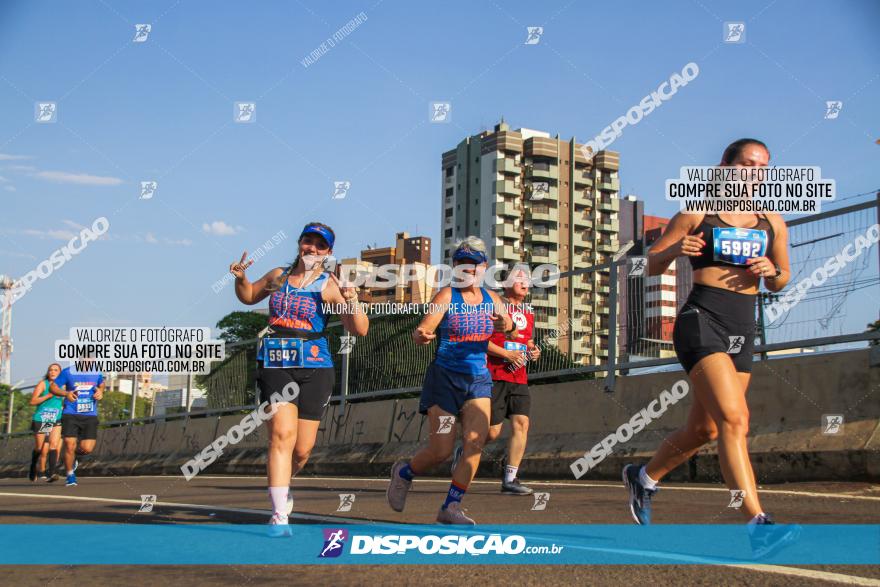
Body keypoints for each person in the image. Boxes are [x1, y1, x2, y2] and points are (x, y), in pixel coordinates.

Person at [622, 138, 797, 546]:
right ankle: (759, 525)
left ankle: (642, 477)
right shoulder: (697, 213)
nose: (753, 172)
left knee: (706, 430)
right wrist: (674, 251)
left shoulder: (772, 222)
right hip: (701, 321)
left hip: (743, 327)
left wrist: (772, 270)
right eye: (746, 164)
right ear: (725, 166)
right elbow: (648, 265)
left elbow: (783, 278)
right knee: (736, 420)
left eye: (762, 167)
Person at [229, 221, 368, 536]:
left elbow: (359, 329)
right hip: (276, 362)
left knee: (302, 450)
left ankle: (282, 486)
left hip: (316, 367)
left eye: (320, 246)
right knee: (281, 435)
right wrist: (240, 278)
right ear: (299, 243)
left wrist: (351, 298)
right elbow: (248, 296)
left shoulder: (329, 285)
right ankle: (279, 514)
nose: (312, 249)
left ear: (328, 252)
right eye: (308, 242)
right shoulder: (278, 276)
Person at [386, 237, 514, 525]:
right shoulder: (446, 296)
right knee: (441, 450)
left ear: (484, 267)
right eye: (462, 265)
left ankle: (451, 506)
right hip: (444, 380)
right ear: (455, 267)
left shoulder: (492, 299)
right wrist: (421, 335)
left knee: (475, 442)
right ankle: (404, 473)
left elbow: (512, 329)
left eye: (475, 265)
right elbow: (423, 330)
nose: (469, 271)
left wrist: (508, 325)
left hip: (477, 380)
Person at [484, 267, 540, 494]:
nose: (525, 282)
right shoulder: (495, 307)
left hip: (519, 377)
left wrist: (534, 351)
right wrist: (505, 354)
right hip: (494, 375)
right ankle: (466, 449)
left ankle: (510, 479)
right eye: (519, 279)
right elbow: (480, 341)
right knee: (492, 432)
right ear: (506, 285)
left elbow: (528, 342)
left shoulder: (528, 313)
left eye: (527, 279)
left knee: (522, 424)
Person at [50, 363, 105, 487]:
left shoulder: (96, 372)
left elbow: (101, 384)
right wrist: (66, 394)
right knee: (69, 444)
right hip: (71, 413)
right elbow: (53, 387)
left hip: (90, 415)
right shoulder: (68, 372)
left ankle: (72, 457)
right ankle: (70, 475)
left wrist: (100, 391)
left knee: (87, 448)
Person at [28, 363, 64, 482]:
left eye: (56, 370)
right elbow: (32, 401)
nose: (53, 372)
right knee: (39, 447)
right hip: (42, 419)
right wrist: (48, 396)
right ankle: (33, 466)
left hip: (55, 419)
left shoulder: (63, 386)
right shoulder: (43, 384)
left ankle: (52, 473)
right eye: (50, 370)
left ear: (60, 373)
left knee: (54, 445)